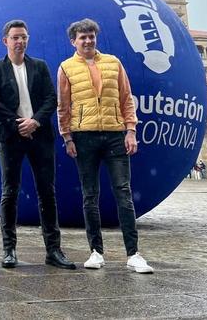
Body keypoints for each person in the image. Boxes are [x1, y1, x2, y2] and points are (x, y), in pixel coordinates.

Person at [58, 18, 153, 274]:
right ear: (73, 42)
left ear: (95, 38)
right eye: (82, 37)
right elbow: (63, 107)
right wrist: (67, 137)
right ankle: (96, 252)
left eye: (91, 36)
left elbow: (126, 98)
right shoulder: (66, 68)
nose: (87, 41)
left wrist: (131, 131)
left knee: (123, 192)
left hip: (114, 135)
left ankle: (133, 254)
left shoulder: (113, 63)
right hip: (84, 137)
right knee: (90, 195)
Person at [0, 20, 75, 270]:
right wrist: (18, 124)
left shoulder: (39, 66)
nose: (20, 41)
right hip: (11, 138)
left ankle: (53, 250)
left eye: (24, 37)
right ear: (6, 41)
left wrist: (35, 121)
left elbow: (51, 98)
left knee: (47, 192)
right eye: (15, 37)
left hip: (40, 136)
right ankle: (9, 249)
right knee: (9, 193)